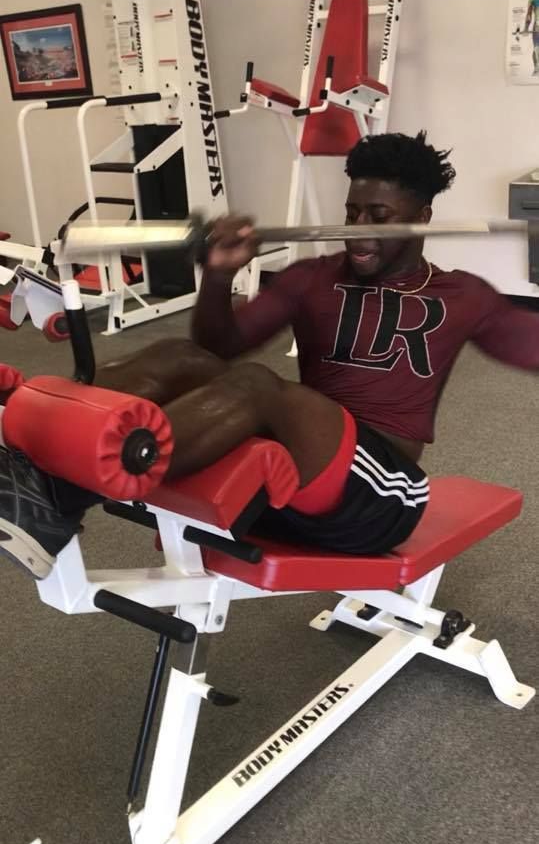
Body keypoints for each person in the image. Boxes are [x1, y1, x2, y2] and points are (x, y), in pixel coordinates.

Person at [0, 131, 537, 580]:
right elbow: (216, 347)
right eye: (351, 210)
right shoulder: (313, 277)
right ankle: (36, 460)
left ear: (421, 216)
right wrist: (219, 273)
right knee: (177, 356)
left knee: (258, 384)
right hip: (297, 479)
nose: (358, 230)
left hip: (378, 501)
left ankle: (70, 484)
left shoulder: (463, 296)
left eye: (379, 215)